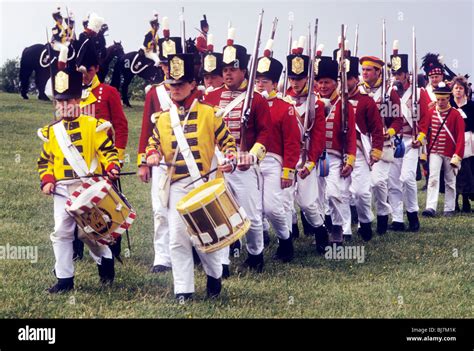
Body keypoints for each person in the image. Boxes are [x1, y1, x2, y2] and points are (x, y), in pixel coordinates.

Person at [145, 53, 236, 300]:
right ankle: (183, 290)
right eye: (171, 85)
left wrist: (230, 158)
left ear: (192, 85)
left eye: (180, 84)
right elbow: (152, 144)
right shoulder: (163, 119)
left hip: (204, 184)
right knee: (177, 239)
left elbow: (228, 143)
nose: (175, 89)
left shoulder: (210, 113)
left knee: (204, 239)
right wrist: (152, 155)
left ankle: (214, 276)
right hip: (177, 186)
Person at [37, 58, 120, 293]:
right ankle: (64, 279)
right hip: (62, 190)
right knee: (61, 232)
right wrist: (48, 180)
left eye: (69, 101)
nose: (64, 107)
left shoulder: (94, 125)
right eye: (60, 103)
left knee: (89, 233)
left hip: (88, 188)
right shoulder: (52, 132)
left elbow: (107, 151)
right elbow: (45, 161)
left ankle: (104, 257)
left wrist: (112, 166)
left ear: (79, 100)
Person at [204, 28, 271, 272]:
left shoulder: (258, 99)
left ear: (244, 70)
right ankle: (222, 263)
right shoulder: (210, 98)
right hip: (218, 161)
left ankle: (256, 254)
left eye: (232, 69)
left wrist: (251, 156)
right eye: (225, 70)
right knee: (219, 214)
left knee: (251, 215)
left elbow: (265, 134)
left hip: (243, 161)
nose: (228, 74)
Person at [137, 21, 183, 274]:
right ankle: (162, 256)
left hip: (188, 158)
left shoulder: (193, 91)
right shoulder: (154, 93)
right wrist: (143, 161)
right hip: (159, 158)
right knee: (159, 209)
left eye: (171, 64)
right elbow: (146, 129)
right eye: (164, 64)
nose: (167, 69)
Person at [254, 40, 300, 261]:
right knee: (254, 209)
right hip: (251, 162)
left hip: (274, 162)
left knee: (272, 208)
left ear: (274, 83)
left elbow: (292, 142)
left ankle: (285, 240)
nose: (261, 85)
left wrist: (288, 170)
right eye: (258, 80)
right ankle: (256, 250)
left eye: (265, 81)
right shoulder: (249, 105)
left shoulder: (285, 107)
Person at [285, 38, 327, 253]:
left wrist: (311, 162)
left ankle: (320, 232)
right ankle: (287, 242)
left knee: (308, 203)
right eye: (292, 78)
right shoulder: (285, 101)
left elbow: (319, 136)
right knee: (285, 202)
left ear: (308, 78)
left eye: (300, 78)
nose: (295, 82)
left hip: (306, 158)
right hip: (286, 159)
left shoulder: (317, 103)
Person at [387, 41, 430, 232]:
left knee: (407, 178)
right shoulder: (389, 93)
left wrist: (420, 137)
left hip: (411, 141)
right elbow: (386, 115)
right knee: (393, 181)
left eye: (399, 73)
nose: (396, 77)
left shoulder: (419, 93)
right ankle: (397, 219)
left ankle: (413, 214)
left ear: (406, 74)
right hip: (394, 140)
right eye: (394, 73)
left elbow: (426, 118)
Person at [359, 55, 403, 235]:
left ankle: (383, 212)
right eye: (363, 70)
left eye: (369, 70)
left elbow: (397, 120)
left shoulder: (388, 92)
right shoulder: (358, 91)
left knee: (377, 182)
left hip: (383, 143)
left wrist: (389, 132)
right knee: (364, 186)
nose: (365, 73)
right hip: (363, 143)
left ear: (378, 72)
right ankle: (365, 222)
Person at [315, 55, 357, 245]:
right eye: (320, 82)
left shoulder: (344, 104)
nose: (323, 86)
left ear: (335, 82)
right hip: (314, 157)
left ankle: (338, 227)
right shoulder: (312, 103)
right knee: (317, 197)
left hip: (334, 157)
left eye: (327, 82)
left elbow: (350, 136)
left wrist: (350, 159)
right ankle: (323, 230)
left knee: (333, 193)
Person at [342, 55, 384, 241]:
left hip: (359, 151)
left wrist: (376, 150)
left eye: (348, 78)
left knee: (360, 192)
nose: (344, 82)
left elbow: (376, 128)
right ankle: (343, 229)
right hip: (339, 151)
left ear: (355, 80)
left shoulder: (366, 102)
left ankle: (365, 221)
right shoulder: (334, 101)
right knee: (340, 193)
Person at [417, 82, 465, 217]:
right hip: (435, 151)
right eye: (438, 99)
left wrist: (458, 154)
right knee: (433, 178)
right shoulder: (431, 112)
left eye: (443, 99)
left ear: (448, 98)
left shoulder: (456, 114)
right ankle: (430, 207)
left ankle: (449, 208)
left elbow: (460, 137)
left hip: (450, 152)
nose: (440, 102)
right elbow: (424, 129)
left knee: (450, 181)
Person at [450, 76, 474, 212]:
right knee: (454, 171)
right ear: (452, 90)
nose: (458, 90)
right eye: (456, 88)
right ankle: (454, 201)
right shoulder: (449, 105)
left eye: (461, 88)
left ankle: (466, 201)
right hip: (452, 141)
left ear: (465, 90)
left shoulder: (471, 106)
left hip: (469, 143)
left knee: (467, 171)